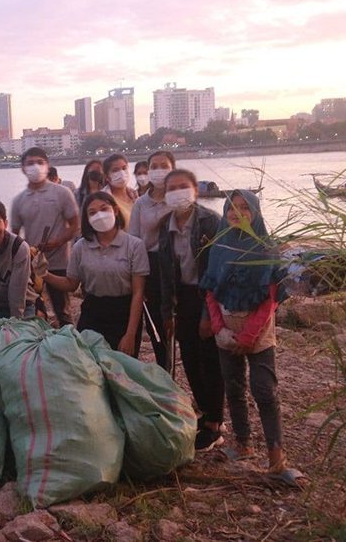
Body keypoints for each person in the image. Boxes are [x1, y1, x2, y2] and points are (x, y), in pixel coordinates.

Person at [200, 191, 301, 482]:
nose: (237, 213)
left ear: (255, 213)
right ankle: (243, 443)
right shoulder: (219, 246)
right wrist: (219, 326)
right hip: (226, 326)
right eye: (232, 208)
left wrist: (249, 334)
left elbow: (270, 299)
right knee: (233, 386)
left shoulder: (265, 248)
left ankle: (276, 455)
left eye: (245, 208)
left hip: (258, 331)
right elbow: (210, 288)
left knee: (264, 391)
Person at [158, 169, 225, 451]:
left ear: (195, 189)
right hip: (183, 297)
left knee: (209, 359)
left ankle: (215, 424)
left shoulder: (211, 221)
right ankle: (205, 413)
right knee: (188, 357)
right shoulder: (165, 225)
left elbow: (218, 267)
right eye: (171, 188)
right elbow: (164, 272)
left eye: (183, 186)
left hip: (207, 294)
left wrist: (209, 314)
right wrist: (167, 311)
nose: (177, 192)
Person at [45, 192, 148, 356]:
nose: (99, 215)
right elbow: (71, 284)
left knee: (123, 371)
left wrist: (130, 334)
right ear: (87, 218)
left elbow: (138, 293)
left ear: (114, 210)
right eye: (92, 212)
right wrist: (44, 274)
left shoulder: (134, 246)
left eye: (104, 209)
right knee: (89, 367)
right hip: (92, 312)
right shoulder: (80, 247)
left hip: (123, 313)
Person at [10, 147, 80, 327]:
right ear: (23, 169)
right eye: (30, 163)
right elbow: (14, 236)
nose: (35, 167)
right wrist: (26, 252)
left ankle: (70, 345)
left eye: (40, 162)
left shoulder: (62, 193)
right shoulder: (19, 200)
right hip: (31, 264)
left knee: (62, 311)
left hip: (58, 262)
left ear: (47, 166)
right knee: (32, 310)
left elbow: (75, 225)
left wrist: (56, 242)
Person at [128, 150, 175, 370]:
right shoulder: (140, 204)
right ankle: (165, 374)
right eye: (153, 167)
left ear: (173, 168)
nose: (158, 171)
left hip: (177, 267)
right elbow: (134, 242)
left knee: (180, 325)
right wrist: (138, 279)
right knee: (157, 326)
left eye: (163, 165)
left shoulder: (179, 199)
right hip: (150, 267)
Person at [102, 153, 138, 225]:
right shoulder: (104, 199)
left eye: (124, 168)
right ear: (107, 176)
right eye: (115, 170)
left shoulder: (134, 194)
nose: (122, 173)